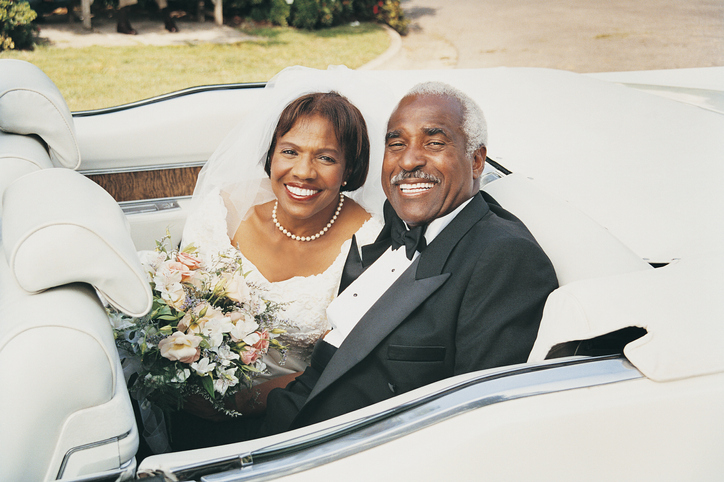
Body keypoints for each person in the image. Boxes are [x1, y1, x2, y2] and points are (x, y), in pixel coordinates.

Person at [259, 81, 559, 435]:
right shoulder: (395, 222)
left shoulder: (505, 257)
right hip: (288, 412)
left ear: (476, 160)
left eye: (434, 142)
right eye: (396, 144)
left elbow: (478, 423)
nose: (409, 159)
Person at [167, 67, 389, 450]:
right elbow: (176, 305)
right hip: (191, 397)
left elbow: (344, 365)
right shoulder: (223, 211)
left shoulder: (370, 242)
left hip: (297, 419)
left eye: (325, 158)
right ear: (271, 155)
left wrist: (238, 403)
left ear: (350, 168)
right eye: (289, 151)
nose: (302, 172)